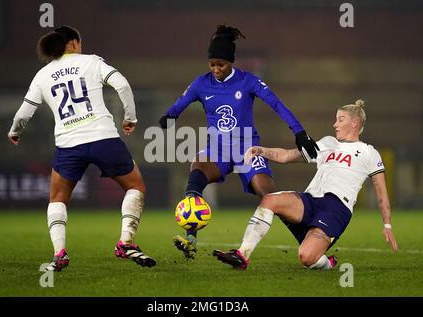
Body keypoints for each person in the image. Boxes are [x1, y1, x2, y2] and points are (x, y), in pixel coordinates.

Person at [159, 25, 319, 259]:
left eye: (220, 64)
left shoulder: (247, 81)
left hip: (247, 149)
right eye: (212, 64)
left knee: (269, 196)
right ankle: (191, 239)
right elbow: (179, 104)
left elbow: (276, 104)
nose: (216, 69)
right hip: (218, 151)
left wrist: (299, 132)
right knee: (197, 169)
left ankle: (307, 239)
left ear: (231, 62)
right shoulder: (201, 84)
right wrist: (169, 116)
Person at [7, 26, 156, 271]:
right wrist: (130, 117)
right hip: (103, 138)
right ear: (74, 43)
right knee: (135, 186)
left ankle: (59, 254)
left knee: (57, 199)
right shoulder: (92, 62)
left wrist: (15, 131)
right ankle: (126, 242)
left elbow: (24, 112)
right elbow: (122, 85)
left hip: (68, 144)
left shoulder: (43, 75)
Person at [213, 100, 399, 270]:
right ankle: (242, 255)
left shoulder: (369, 153)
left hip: (335, 209)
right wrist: (261, 151)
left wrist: (387, 225)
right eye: (336, 120)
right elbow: (287, 155)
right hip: (309, 201)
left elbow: (382, 193)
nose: (335, 124)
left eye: (340, 119)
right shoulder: (328, 143)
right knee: (270, 200)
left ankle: (328, 262)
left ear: (355, 123)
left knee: (306, 257)